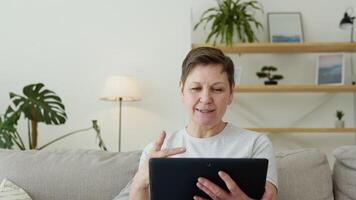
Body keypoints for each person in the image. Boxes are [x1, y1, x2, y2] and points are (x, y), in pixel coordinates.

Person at [128, 47, 278, 200]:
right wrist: (139, 183)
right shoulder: (156, 152)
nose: (206, 98)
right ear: (182, 90)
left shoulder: (256, 144)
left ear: (231, 93)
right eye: (196, 88)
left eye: (217, 89)